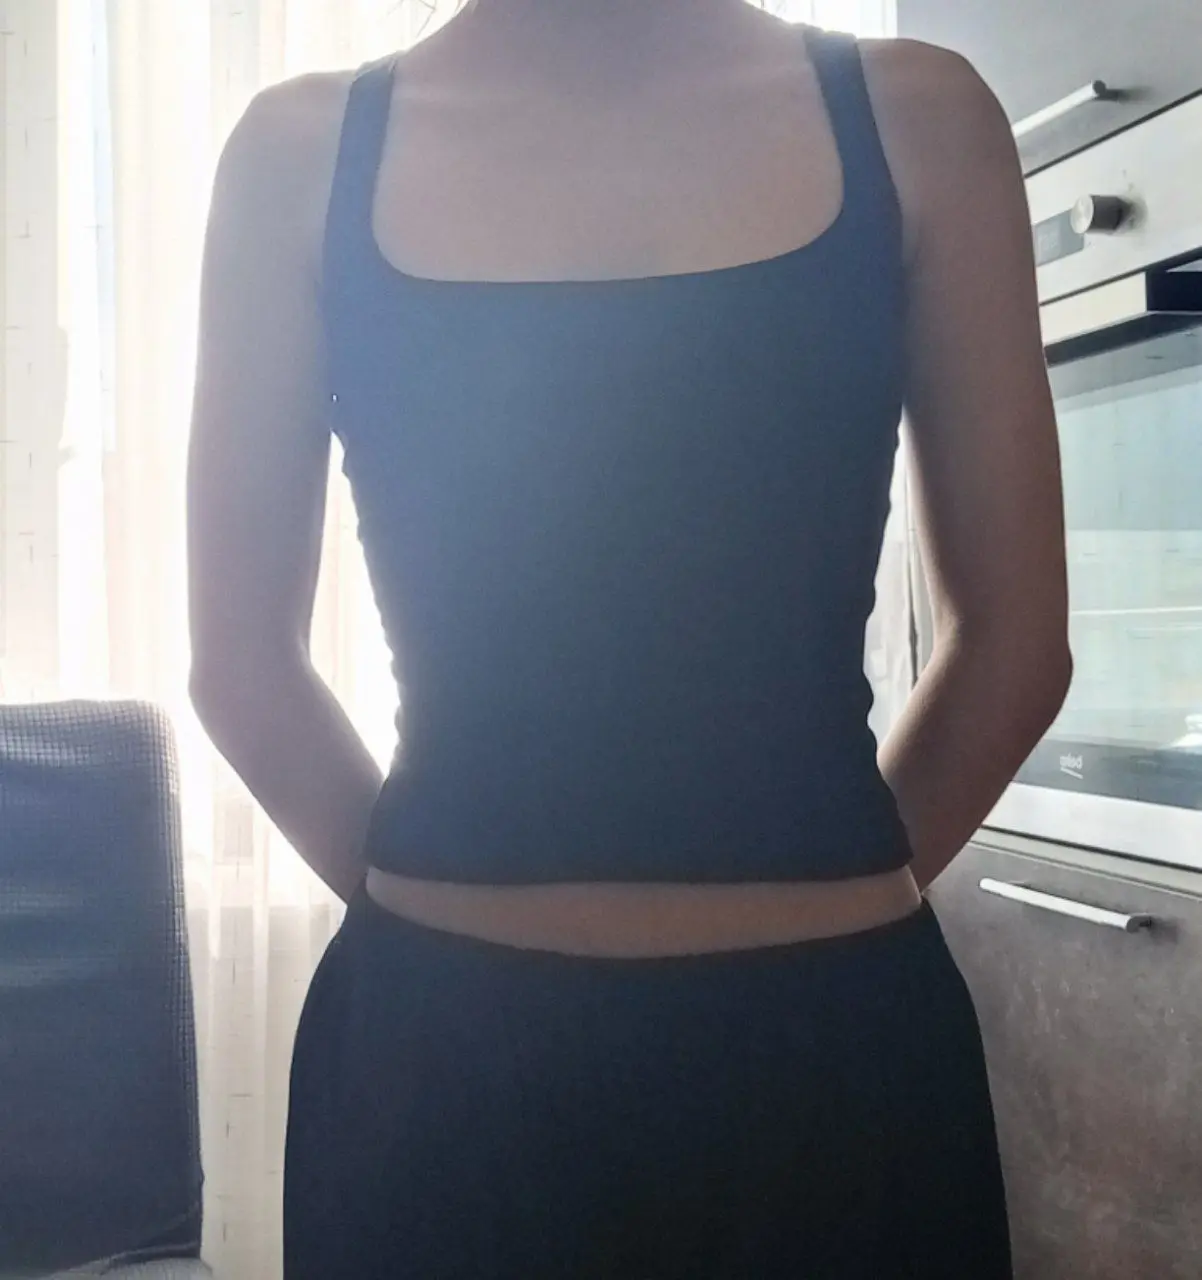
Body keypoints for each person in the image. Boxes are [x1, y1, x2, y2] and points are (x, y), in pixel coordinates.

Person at [187, 0, 1070, 1274]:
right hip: (462, 1086)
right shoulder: (298, 150)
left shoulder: (918, 118)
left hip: (812, 1083)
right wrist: (806, 901)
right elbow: (240, 669)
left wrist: (466, 916)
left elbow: (1014, 650)